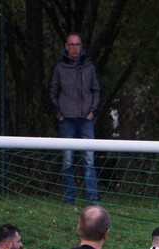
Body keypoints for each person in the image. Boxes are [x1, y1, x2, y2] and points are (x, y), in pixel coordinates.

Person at [48, 32, 101, 204]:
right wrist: (59, 114)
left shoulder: (89, 66)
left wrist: (93, 111)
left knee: (89, 161)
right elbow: (52, 92)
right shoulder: (59, 68)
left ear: (81, 46)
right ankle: (69, 199)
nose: (74, 48)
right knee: (68, 162)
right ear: (66, 46)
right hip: (67, 121)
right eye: (71, 45)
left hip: (86, 120)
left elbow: (96, 91)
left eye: (77, 45)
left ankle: (92, 200)